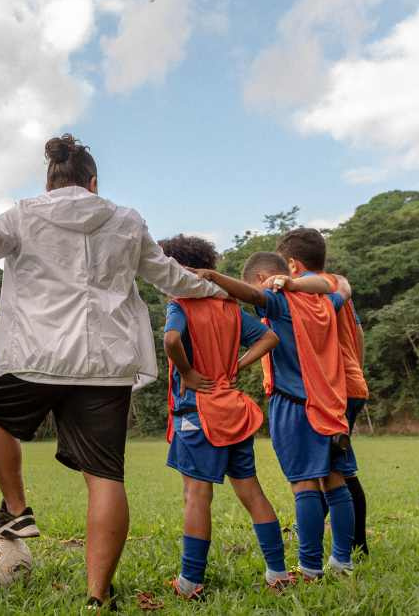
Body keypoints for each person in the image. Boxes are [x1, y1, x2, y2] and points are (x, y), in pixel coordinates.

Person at [0, 134, 225, 609]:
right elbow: (168, 275)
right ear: (93, 182)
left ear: (49, 182)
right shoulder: (126, 220)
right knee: (106, 477)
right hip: (104, 364)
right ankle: (96, 595)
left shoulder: (25, 213)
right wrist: (216, 290)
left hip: (33, 357)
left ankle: (18, 508)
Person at [195, 253, 357, 580]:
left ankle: (310, 567)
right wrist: (298, 281)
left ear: (262, 278)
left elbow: (254, 296)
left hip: (296, 405)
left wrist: (213, 276)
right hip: (333, 406)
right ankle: (342, 561)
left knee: (305, 485)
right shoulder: (325, 304)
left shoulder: (282, 302)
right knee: (336, 483)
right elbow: (343, 285)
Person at [157, 235, 289, 599]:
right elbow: (269, 338)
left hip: (199, 414)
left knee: (196, 495)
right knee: (251, 491)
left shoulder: (181, 305)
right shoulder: (229, 306)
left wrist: (185, 372)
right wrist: (237, 365)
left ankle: (190, 582)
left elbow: (171, 341)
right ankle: (278, 573)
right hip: (233, 410)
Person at [276, 227, 369, 556]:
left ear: (292, 264)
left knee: (332, 472)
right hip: (347, 384)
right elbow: (357, 333)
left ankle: (345, 548)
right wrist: (355, 371)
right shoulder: (332, 286)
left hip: (331, 389)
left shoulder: (316, 289)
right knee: (333, 470)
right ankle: (342, 547)